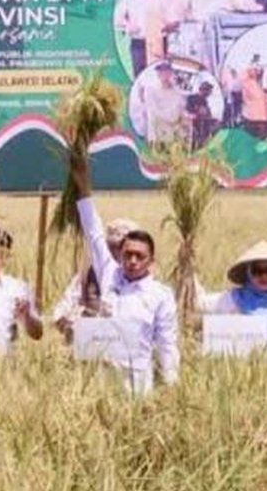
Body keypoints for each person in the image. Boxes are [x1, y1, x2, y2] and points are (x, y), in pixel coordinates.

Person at [71, 153, 179, 394]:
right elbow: (94, 231)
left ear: (151, 260)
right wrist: (82, 183)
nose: (132, 261)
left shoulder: (160, 295)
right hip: (101, 379)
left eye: (139, 256)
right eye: (127, 254)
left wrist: (171, 386)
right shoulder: (110, 274)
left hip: (138, 383)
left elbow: (166, 343)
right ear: (119, 254)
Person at [197, 241, 267, 362]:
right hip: (235, 375)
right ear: (248, 273)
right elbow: (195, 303)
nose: (264, 276)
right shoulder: (231, 300)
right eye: (257, 271)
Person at [51, 217, 140, 342]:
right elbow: (61, 310)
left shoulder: (144, 280)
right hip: (89, 345)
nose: (117, 252)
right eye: (113, 247)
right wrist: (69, 324)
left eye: (124, 248)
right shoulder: (87, 274)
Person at [114, 0, 169, 75]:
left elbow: (171, 17)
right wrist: (128, 25)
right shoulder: (128, 0)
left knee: (158, 76)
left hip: (158, 42)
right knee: (140, 77)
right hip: (138, 43)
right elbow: (118, 20)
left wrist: (165, 24)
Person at [139, 61, 189, 146]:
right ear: (158, 73)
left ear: (171, 73)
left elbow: (182, 108)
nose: (165, 74)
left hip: (175, 137)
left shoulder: (177, 92)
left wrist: (186, 116)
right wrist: (174, 117)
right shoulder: (150, 90)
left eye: (167, 71)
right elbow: (155, 111)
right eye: (162, 71)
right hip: (158, 136)